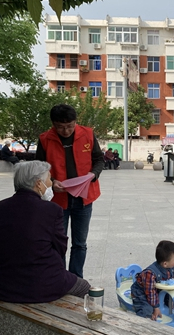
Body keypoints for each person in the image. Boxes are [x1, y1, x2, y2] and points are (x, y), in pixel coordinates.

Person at [0, 161, 90, 302]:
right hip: (40, 286)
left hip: (4, 287)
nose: (51, 183)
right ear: (38, 183)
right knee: (84, 287)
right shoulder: (52, 210)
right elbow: (60, 248)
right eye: (49, 179)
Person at [35, 104, 104, 279]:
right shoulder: (45, 139)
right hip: (58, 199)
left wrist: (92, 175)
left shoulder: (87, 134)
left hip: (83, 197)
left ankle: (75, 279)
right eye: (61, 127)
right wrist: (51, 182)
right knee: (58, 241)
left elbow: (99, 160)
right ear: (53, 124)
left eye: (70, 126)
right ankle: (58, 278)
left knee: (80, 243)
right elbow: (39, 168)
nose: (66, 131)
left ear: (75, 122)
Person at [130, 240, 174, 320]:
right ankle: (142, 321)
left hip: (157, 290)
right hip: (142, 292)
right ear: (165, 263)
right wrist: (155, 307)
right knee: (147, 309)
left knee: (171, 301)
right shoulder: (150, 273)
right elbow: (150, 292)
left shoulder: (170, 268)